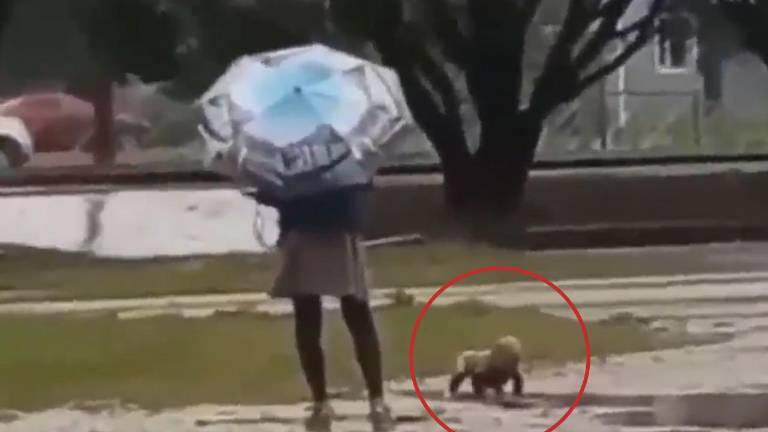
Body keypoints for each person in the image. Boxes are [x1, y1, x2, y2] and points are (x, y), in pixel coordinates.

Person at [249, 182, 394, 432]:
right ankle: (376, 401)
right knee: (358, 316)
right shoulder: (344, 151)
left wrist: (266, 194)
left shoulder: (289, 154)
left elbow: (279, 191)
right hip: (340, 229)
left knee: (308, 320)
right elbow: (362, 182)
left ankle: (321, 402)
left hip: (303, 230)